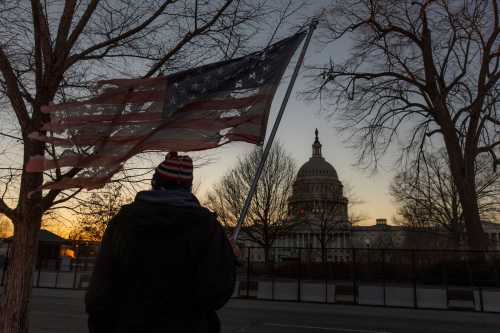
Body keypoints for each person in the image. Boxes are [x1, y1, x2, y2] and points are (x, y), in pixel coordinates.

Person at [85, 152, 238, 333]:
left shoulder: (123, 221)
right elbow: (215, 293)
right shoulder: (206, 226)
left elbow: (101, 289)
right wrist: (230, 257)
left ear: (155, 183)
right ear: (188, 187)